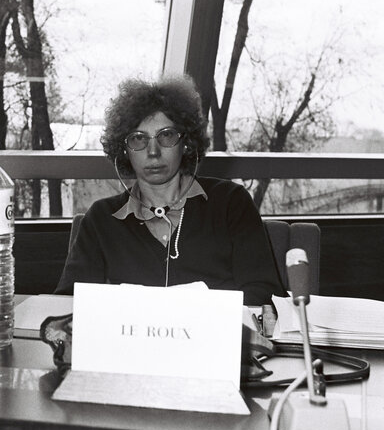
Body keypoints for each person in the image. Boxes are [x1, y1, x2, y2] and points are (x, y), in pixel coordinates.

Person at [55, 75, 285, 305]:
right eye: (138, 139)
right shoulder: (101, 219)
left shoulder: (231, 203)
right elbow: (66, 304)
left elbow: (263, 293)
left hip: (216, 339)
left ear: (186, 143)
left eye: (166, 135)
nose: (153, 151)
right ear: (124, 150)